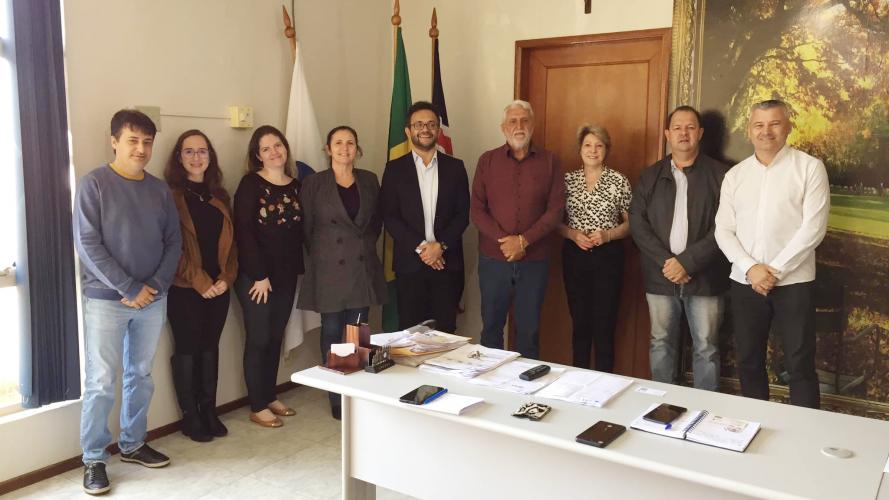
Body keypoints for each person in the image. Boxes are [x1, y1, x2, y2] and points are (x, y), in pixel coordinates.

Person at [73, 109, 181, 495]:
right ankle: (94, 459)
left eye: (147, 142)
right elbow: (88, 244)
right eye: (132, 140)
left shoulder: (158, 189)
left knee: (141, 374)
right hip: (106, 299)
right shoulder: (94, 184)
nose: (141, 149)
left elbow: (174, 242)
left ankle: (133, 444)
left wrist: (152, 285)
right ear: (114, 141)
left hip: (152, 299)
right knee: (102, 381)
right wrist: (128, 287)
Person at [714, 99, 830, 408]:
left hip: (794, 284)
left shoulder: (809, 168)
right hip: (745, 282)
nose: (766, 131)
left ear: (788, 127)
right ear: (749, 131)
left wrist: (773, 271)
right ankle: (756, 426)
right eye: (759, 125)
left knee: (799, 363)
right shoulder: (735, 176)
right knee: (749, 360)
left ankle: (803, 436)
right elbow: (723, 230)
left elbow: (813, 228)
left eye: (774, 123)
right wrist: (751, 269)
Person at [630, 106, 730, 390]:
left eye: (690, 127)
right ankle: (662, 403)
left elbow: (725, 227)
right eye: (677, 128)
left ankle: (705, 409)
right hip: (660, 276)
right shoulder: (650, 176)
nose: (683, 133)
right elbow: (638, 224)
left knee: (707, 347)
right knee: (660, 343)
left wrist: (688, 262)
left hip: (706, 277)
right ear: (667, 134)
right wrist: (669, 263)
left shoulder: (721, 176)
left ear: (699, 133)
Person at [298, 125, 387, 419]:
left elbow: (376, 224)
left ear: (357, 149)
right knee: (333, 330)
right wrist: (326, 255)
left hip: (360, 267)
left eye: (350, 143)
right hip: (329, 268)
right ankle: (337, 396)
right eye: (338, 143)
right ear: (328, 149)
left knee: (358, 332)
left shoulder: (370, 180)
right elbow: (307, 229)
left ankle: (354, 390)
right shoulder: (313, 184)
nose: (344, 148)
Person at [470, 100, 564, 360]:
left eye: (524, 121)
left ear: (533, 126)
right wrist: (507, 242)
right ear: (503, 128)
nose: (519, 126)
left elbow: (556, 210)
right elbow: (477, 210)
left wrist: (524, 241)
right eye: (513, 121)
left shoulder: (551, 162)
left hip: (534, 261)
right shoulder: (487, 161)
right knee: (490, 329)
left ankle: (526, 394)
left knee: (529, 332)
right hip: (493, 260)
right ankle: (491, 390)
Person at [164, 130, 237, 441]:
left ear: (210, 156)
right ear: (179, 157)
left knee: (210, 348)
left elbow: (233, 244)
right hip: (185, 288)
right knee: (188, 349)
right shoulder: (169, 197)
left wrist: (225, 279)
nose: (197, 157)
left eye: (202, 151)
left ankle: (209, 409)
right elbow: (169, 246)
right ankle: (190, 415)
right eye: (189, 151)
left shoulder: (220, 195)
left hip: (219, 288)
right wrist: (200, 281)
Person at [234, 125, 304, 428]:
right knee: (259, 337)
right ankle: (257, 404)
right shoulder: (250, 184)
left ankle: (270, 394)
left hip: (287, 275)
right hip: (256, 277)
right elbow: (244, 232)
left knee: (276, 337)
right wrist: (259, 275)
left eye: (278, 145)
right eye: (266, 148)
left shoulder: (297, 185)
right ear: (257, 155)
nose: (274, 152)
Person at [380, 101, 470, 333]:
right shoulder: (394, 169)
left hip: (447, 264)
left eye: (431, 124)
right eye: (418, 124)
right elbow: (390, 216)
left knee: (447, 333)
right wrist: (423, 249)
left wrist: (439, 247)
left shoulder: (456, 167)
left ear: (438, 129)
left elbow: (463, 214)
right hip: (410, 265)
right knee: (410, 335)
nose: (425, 129)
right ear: (408, 131)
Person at [558, 124, 631, 371]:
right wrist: (572, 234)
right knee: (579, 323)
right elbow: (554, 222)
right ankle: (577, 380)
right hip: (575, 256)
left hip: (608, 257)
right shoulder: (567, 180)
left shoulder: (618, 180)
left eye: (599, 145)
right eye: (588, 145)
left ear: (606, 150)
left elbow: (632, 224)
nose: (593, 150)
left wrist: (608, 235)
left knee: (604, 324)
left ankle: (604, 384)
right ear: (580, 149)